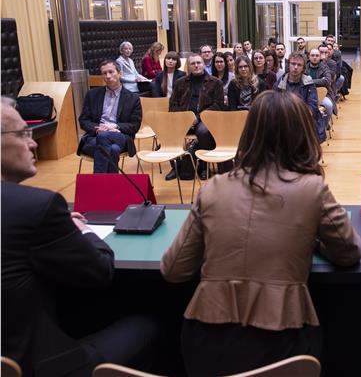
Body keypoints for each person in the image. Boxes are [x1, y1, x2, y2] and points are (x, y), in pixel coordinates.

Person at [161, 91, 361, 376]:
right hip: (282, 343)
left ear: (248, 133)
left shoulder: (213, 188)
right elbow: (349, 252)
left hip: (205, 343)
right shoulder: (313, 190)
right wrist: (313, 240)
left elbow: (174, 269)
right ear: (303, 134)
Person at [2, 97, 159, 376]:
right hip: (38, 363)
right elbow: (100, 271)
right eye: (23, 133)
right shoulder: (38, 208)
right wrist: (83, 231)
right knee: (150, 320)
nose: (34, 142)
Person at [78, 60, 142, 173]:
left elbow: (134, 125)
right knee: (113, 149)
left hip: (120, 136)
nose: (107, 76)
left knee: (104, 138)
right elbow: (83, 120)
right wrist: (98, 129)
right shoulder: (92, 95)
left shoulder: (133, 98)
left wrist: (115, 126)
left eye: (111, 72)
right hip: (95, 136)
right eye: (104, 73)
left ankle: (98, 184)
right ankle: (112, 187)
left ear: (119, 73)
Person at [168, 53, 225, 180]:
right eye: (193, 63)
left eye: (199, 63)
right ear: (188, 66)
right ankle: (177, 166)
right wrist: (186, 118)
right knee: (167, 132)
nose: (196, 65)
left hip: (205, 119)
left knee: (203, 131)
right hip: (184, 119)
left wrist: (197, 118)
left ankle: (203, 166)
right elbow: (173, 105)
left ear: (204, 64)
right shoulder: (180, 82)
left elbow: (218, 105)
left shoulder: (215, 82)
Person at [277, 51, 326, 143]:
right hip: (283, 120)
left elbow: (312, 107)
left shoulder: (309, 83)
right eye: (293, 64)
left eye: (299, 65)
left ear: (303, 68)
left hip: (304, 121)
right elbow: (274, 104)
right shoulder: (280, 82)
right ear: (289, 65)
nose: (295, 67)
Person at [305, 47, 334, 127]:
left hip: (324, 94)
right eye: (312, 55)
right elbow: (302, 81)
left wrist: (309, 81)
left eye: (317, 55)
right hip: (307, 94)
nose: (314, 57)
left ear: (320, 56)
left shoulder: (325, 67)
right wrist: (320, 80)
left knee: (328, 105)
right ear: (309, 56)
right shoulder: (304, 67)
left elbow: (327, 81)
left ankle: (323, 127)